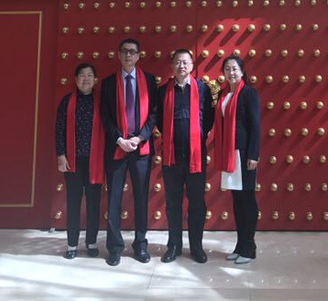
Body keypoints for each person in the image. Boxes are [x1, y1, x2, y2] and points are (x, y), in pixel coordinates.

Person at [100, 38, 157, 266]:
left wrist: (139, 137)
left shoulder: (149, 81)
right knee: (114, 198)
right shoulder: (108, 83)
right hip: (117, 146)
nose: (128, 55)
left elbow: (154, 113)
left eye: (132, 52)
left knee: (141, 197)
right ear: (118, 55)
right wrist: (120, 139)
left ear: (138, 56)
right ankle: (114, 248)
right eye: (124, 51)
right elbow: (105, 115)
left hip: (140, 147)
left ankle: (140, 245)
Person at [157, 48, 214, 264]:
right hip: (172, 157)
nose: (181, 66)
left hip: (195, 157)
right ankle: (174, 246)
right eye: (177, 62)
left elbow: (208, 118)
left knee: (197, 203)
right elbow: (160, 120)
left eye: (185, 62)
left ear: (192, 65)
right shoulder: (163, 91)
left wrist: (195, 136)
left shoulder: (202, 89)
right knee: (173, 204)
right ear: (172, 66)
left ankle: (196, 246)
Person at [213, 55, 260, 264]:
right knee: (237, 200)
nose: (230, 73)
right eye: (227, 69)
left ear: (241, 71)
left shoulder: (249, 93)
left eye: (234, 69)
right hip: (229, 153)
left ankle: (249, 248)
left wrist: (253, 155)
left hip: (244, 153)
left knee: (247, 200)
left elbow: (255, 126)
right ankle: (240, 246)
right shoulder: (223, 94)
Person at [55, 62, 104, 259]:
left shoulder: (102, 102)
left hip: (95, 161)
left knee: (93, 203)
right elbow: (59, 129)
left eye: (90, 75)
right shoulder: (67, 102)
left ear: (95, 80)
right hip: (73, 161)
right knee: (73, 203)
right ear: (75, 80)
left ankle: (91, 242)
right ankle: (72, 245)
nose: (86, 79)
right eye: (82, 75)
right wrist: (61, 155)